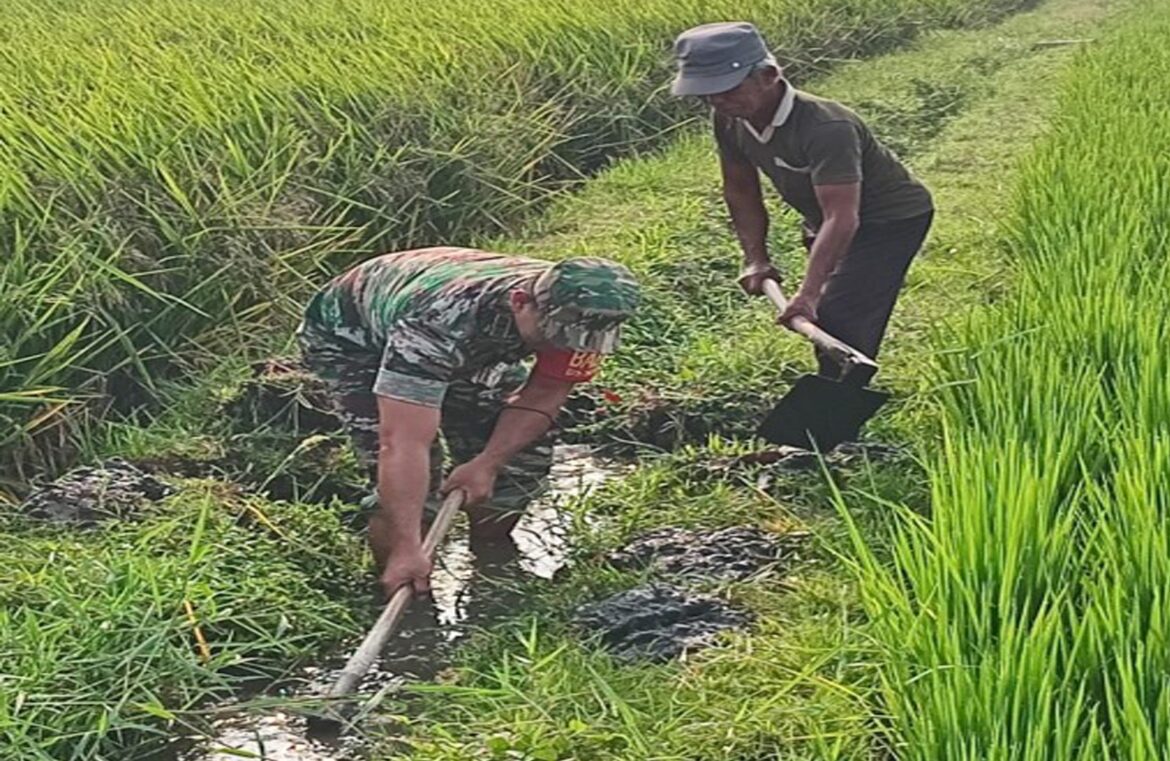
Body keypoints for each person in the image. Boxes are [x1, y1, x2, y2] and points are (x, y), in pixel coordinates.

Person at [296, 247, 639, 597]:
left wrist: (488, 462)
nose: (563, 345)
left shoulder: (586, 316)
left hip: (469, 329)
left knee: (519, 460)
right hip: (355, 340)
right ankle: (401, 580)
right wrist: (407, 545)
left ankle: (491, 561)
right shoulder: (436, 327)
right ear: (521, 302)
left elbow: (548, 389)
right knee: (419, 478)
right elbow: (401, 441)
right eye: (554, 335)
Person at [671, 21, 934, 378]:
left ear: (768, 75)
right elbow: (741, 189)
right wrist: (756, 259)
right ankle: (836, 383)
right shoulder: (728, 117)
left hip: (890, 219)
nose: (717, 101)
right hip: (823, 218)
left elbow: (843, 217)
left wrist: (808, 294)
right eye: (706, 93)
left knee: (838, 314)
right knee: (831, 309)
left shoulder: (826, 127)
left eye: (727, 90)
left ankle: (835, 415)